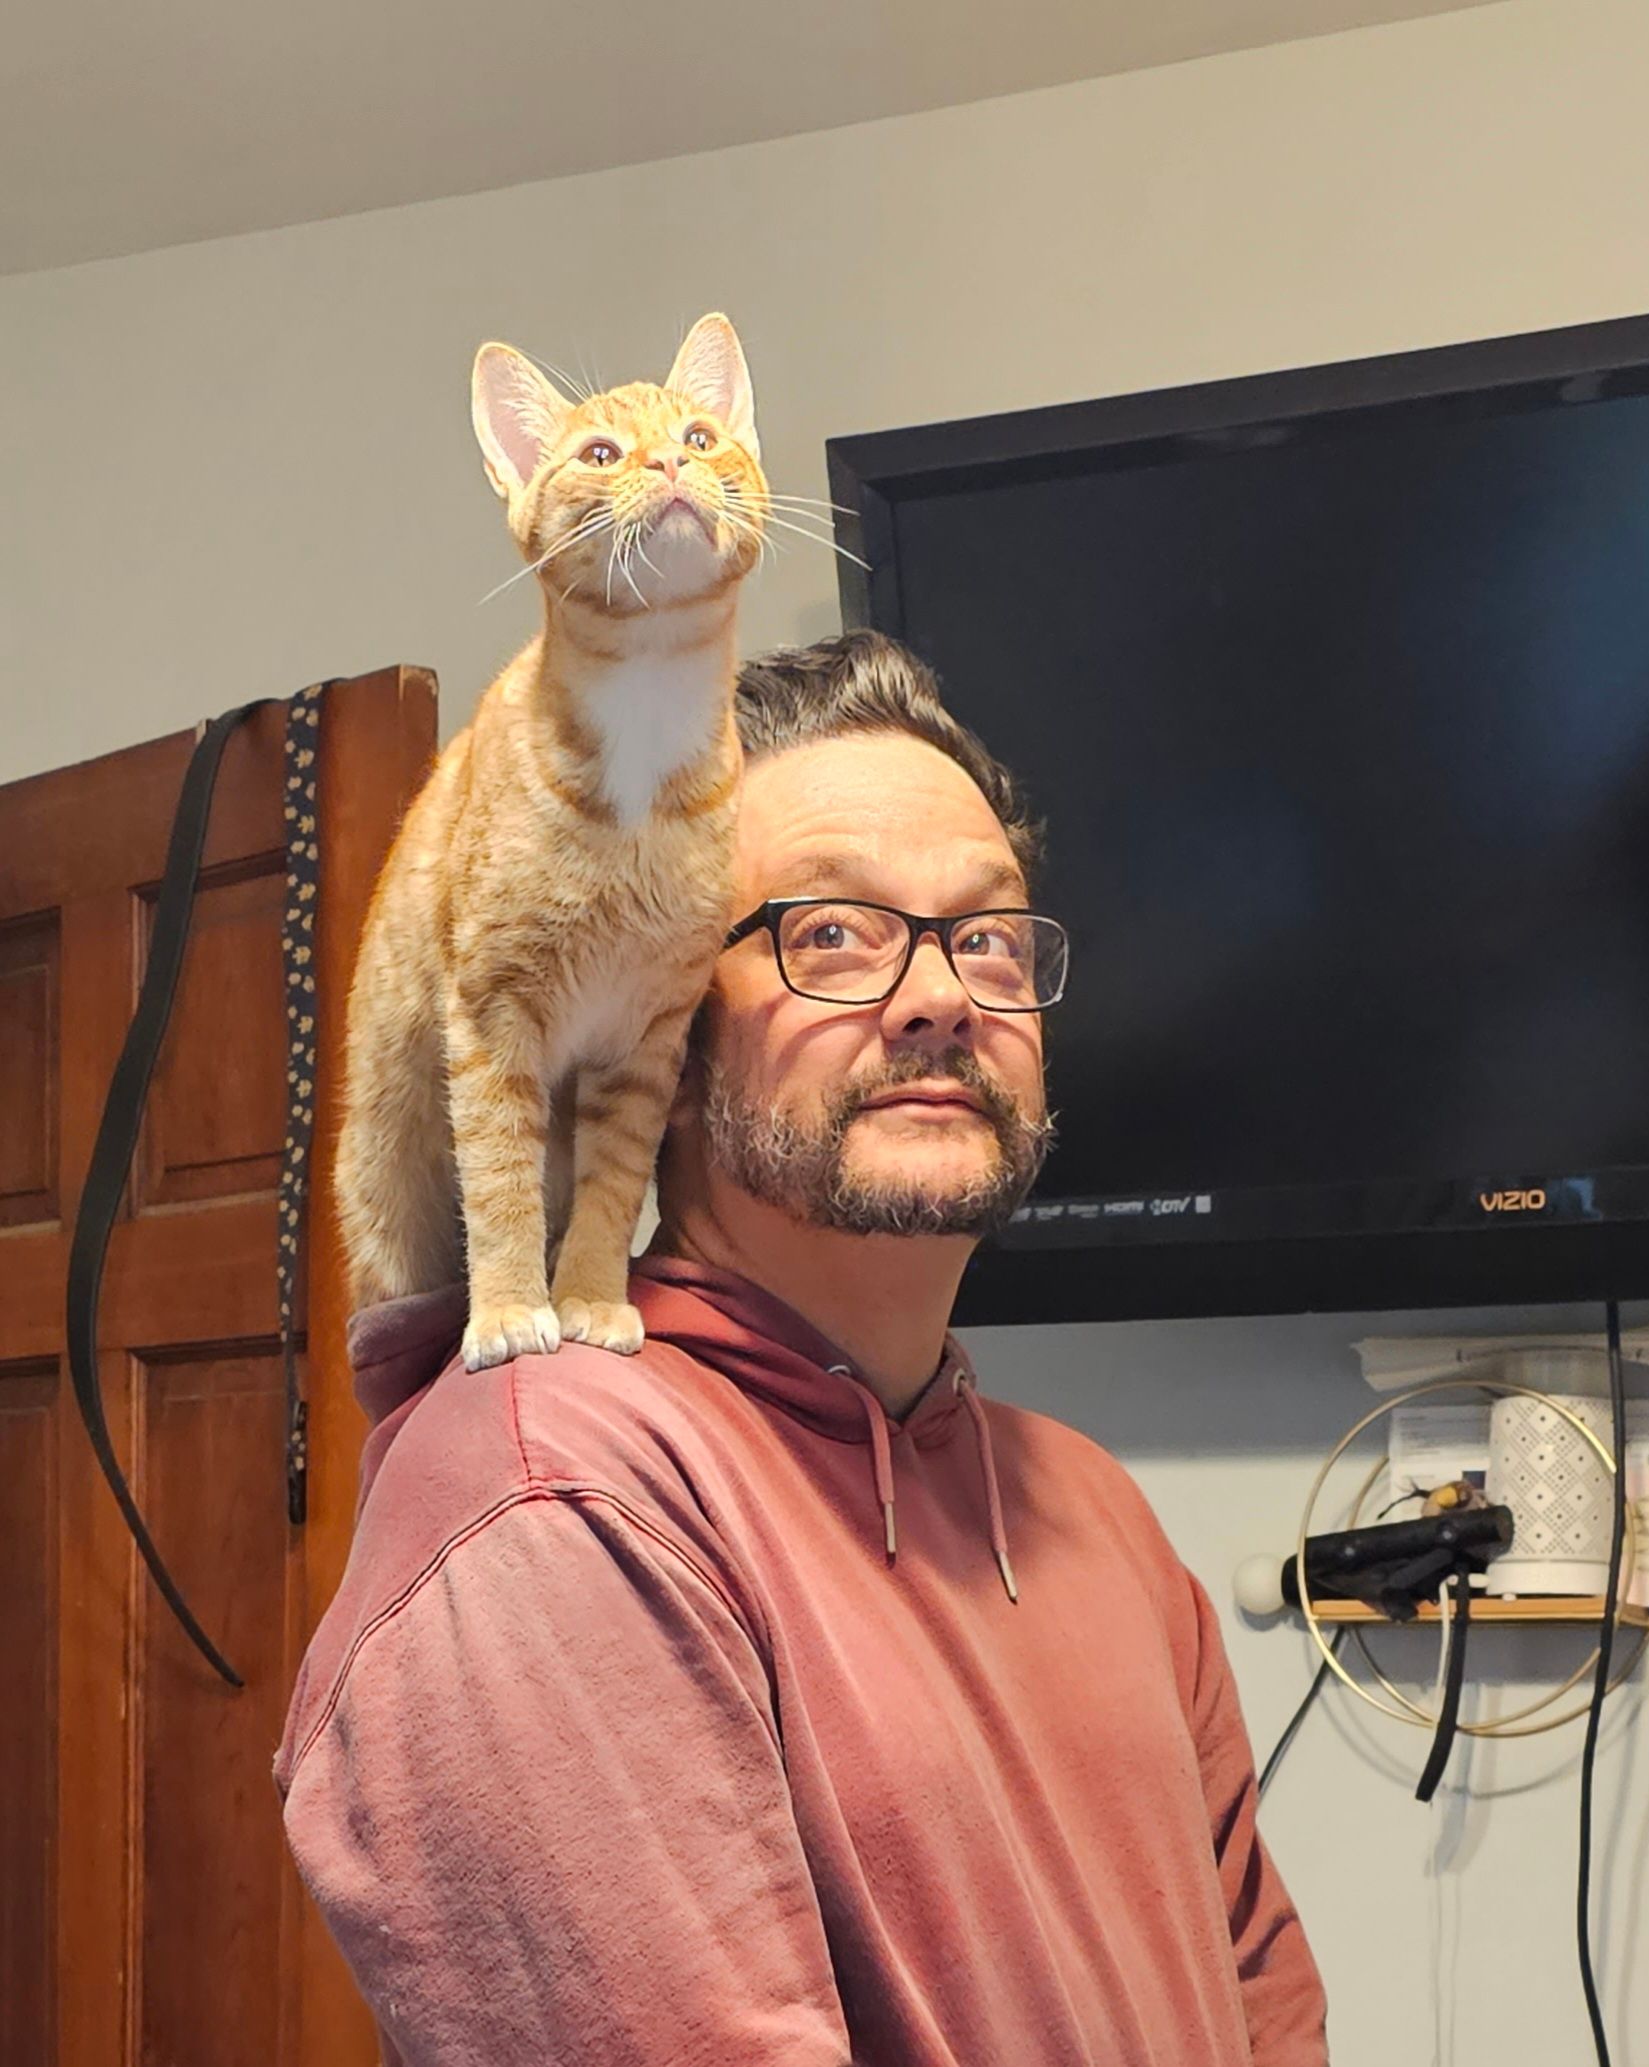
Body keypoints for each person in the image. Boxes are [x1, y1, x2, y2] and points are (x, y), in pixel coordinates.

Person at [276, 629, 1329, 2066]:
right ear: (666, 1023)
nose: (943, 995)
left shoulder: (1096, 1512)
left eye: (989, 934)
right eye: (831, 934)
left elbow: (1266, 2005)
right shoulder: (555, 1495)